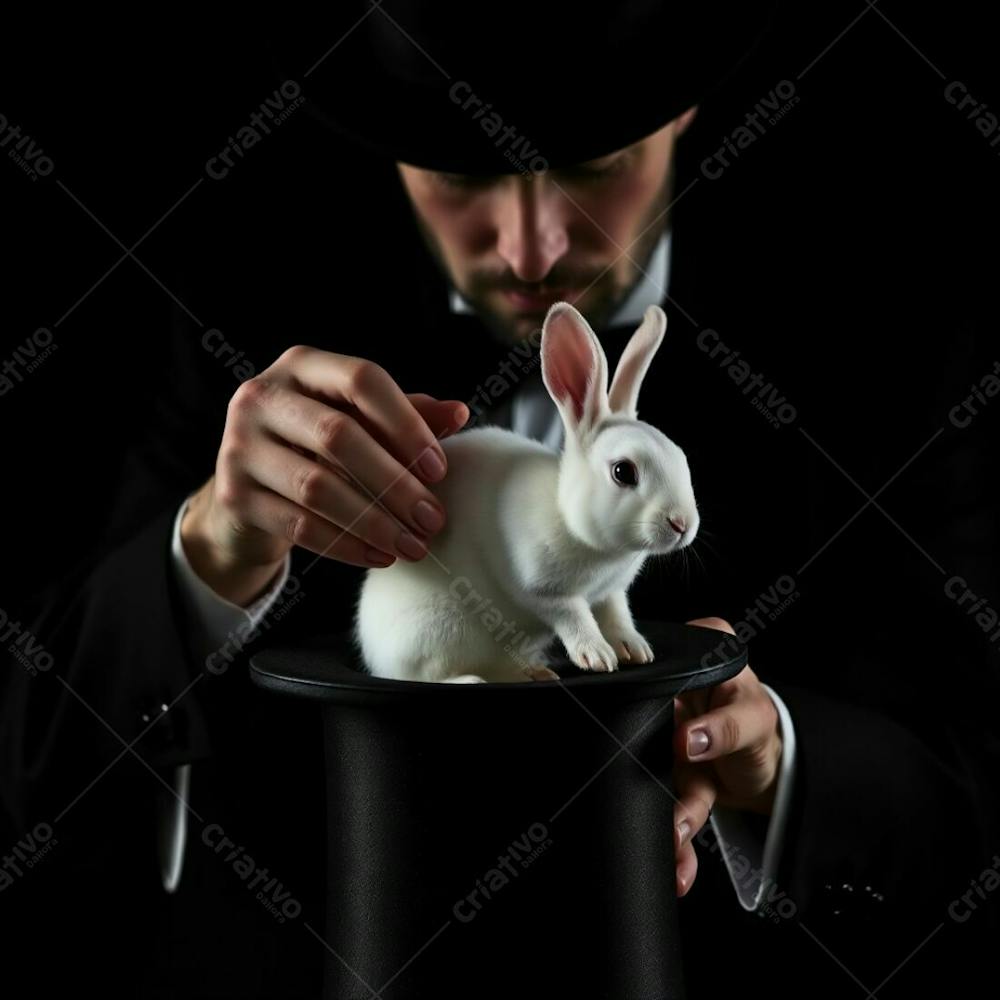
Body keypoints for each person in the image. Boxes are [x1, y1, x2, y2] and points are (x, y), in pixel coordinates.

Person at [3, 5, 998, 997]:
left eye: (596, 165)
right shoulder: (241, 282)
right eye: (460, 177)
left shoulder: (883, 315)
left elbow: (970, 760)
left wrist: (775, 759)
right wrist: (209, 553)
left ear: (685, 110)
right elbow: (37, 759)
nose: (531, 252)